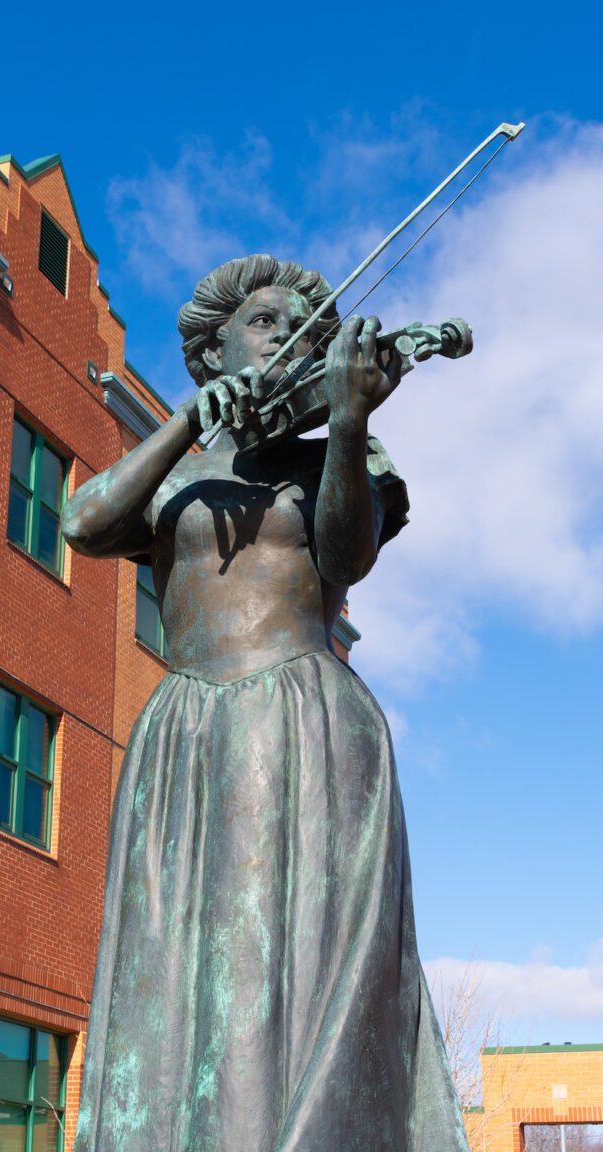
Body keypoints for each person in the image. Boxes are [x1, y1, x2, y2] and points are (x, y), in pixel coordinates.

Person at [62, 255, 468, 1152]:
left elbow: (344, 555)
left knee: (302, 966)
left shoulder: (335, 455)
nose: (287, 335)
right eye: (266, 321)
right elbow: (84, 524)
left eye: (304, 328)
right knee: (172, 975)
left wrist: (352, 416)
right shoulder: (176, 470)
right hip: (187, 727)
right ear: (214, 350)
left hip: (302, 716)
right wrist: (180, 429)